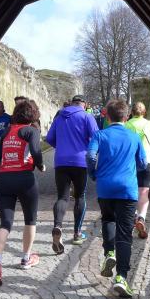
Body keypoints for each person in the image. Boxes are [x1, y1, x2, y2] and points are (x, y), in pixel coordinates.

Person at [86, 100, 146, 298]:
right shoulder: (134, 136)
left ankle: (109, 253)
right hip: (127, 189)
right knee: (125, 233)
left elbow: (90, 156)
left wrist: (93, 174)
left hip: (105, 187)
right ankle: (121, 277)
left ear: (107, 116)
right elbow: (143, 162)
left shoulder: (100, 135)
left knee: (108, 219)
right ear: (126, 117)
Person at [0, 100, 46, 287]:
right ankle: (26, 258)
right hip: (25, 178)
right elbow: (36, 150)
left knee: (5, 222)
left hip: (4, 179)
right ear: (33, 115)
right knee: (30, 219)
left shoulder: (6, 132)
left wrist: (3, 169)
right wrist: (40, 165)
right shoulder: (31, 131)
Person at [45, 94, 99, 253]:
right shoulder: (87, 117)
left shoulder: (59, 116)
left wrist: (62, 146)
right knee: (80, 196)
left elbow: (49, 138)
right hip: (80, 161)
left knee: (62, 197)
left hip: (61, 161)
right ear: (84, 104)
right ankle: (77, 233)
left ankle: (58, 226)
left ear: (72, 103)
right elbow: (96, 137)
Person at [125, 101, 150, 239]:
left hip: (130, 163)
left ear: (131, 112)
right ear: (144, 112)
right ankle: (141, 218)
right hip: (147, 162)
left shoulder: (127, 125)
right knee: (144, 192)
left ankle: (133, 215)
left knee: (131, 190)